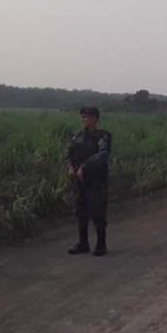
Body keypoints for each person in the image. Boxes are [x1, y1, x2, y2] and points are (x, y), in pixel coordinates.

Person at [66, 106, 112, 256]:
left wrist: (84, 167)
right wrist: (70, 167)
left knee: (98, 212)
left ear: (94, 118)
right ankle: (83, 243)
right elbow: (69, 153)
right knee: (81, 212)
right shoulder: (77, 136)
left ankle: (101, 245)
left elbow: (102, 155)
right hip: (79, 180)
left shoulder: (103, 136)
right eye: (82, 117)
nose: (83, 119)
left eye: (86, 117)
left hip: (96, 180)